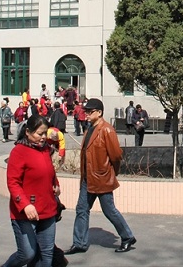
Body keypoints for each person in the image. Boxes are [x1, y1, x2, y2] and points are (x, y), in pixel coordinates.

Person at [65, 99, 136, 255]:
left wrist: (110, 172)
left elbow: (116, 156)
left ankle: (127, 237)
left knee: (109, 210)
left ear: (99, 112)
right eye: (86, 112)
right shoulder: (89, 129)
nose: (87, 114)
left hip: (101, 178)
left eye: (90, 112)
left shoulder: (107, 130)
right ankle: (79, 243)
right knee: (82, 209)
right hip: (88, 178)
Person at [2, 116, 60, 267]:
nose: (43, 137)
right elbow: (13, 182)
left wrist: (56, 184)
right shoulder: (19, 151)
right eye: (39, 134)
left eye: (45, 133)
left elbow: (50, 172)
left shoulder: (46, 149)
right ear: (28, 132)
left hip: (48, 209)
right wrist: (25, 204)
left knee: (46, 254)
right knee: (27, 253)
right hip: (25, 213)